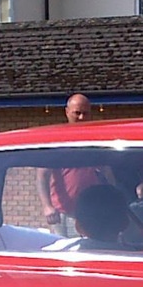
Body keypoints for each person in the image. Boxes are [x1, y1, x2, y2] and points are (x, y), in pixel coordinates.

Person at [38, 93, 106, 230]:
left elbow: (107, 173)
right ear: (67, 112)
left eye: (85, 113)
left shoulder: (96, 140)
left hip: (91, 212)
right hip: (63, 213)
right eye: (77, 113)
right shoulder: (57, 140)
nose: (81, 117)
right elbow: (42, 175)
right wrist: (47, 206)